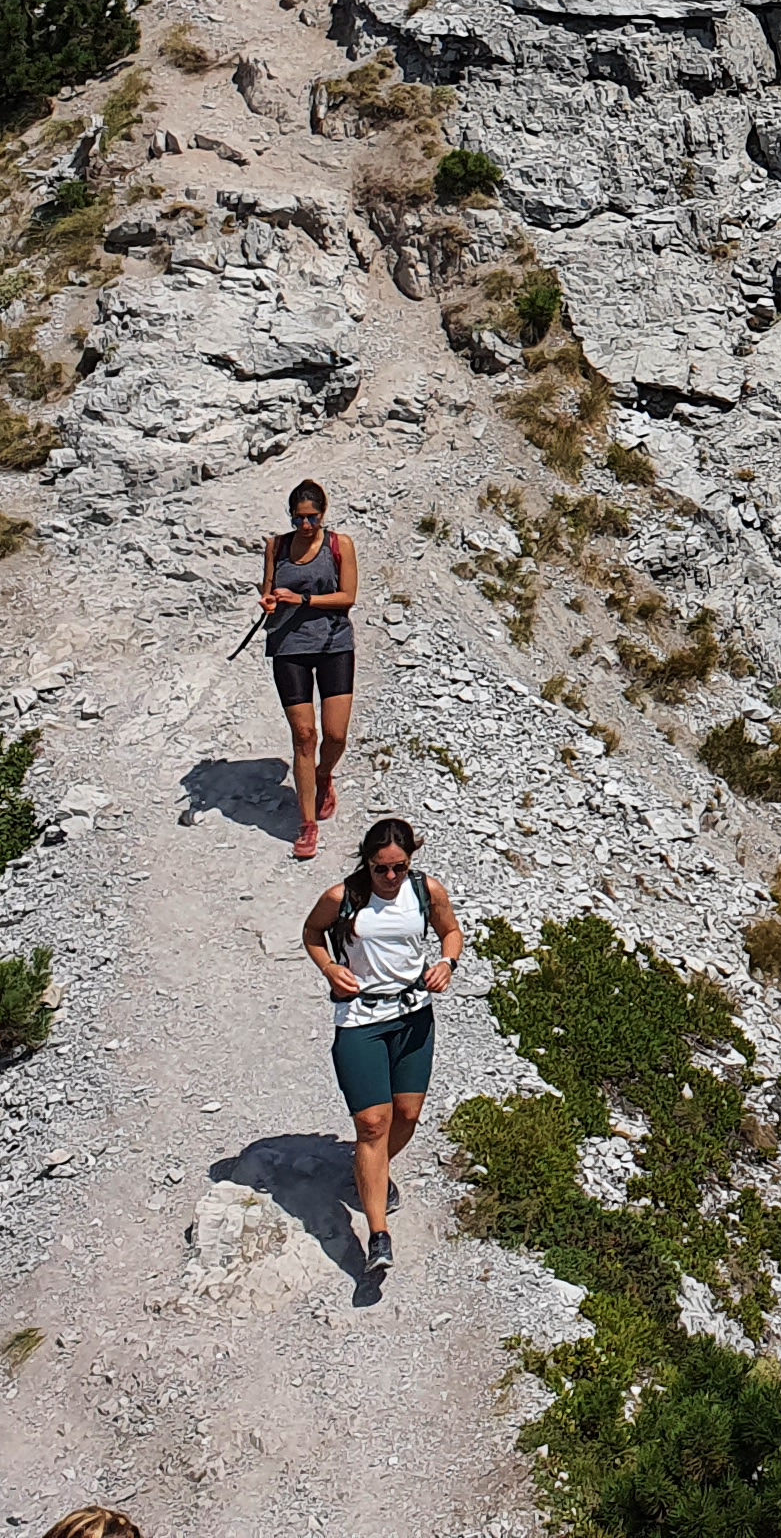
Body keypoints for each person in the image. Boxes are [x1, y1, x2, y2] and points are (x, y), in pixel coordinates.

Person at [302, 817, 462, 1283]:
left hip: (413, 1015)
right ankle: (377, 1234)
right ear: (366, 862)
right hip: (361, 1021)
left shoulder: (425, 891)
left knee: (408, 1114)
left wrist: (447, 963)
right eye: (380, 869)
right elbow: (312, 933)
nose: (390, 878)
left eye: (399, 867)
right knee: (373, 1123)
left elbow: (451, 932)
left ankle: (372, 1170)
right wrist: (331, 969)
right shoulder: (342, 897)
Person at [258, 479, 358, 862]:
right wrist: (269, 602)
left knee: (335, 733)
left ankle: (322, 775)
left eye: (312, 518)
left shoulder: (340, 545)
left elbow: (348, 596)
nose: (305, 526)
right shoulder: (276, 547)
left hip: (334, 644)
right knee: (304, 733)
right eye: (298, 518)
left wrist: (302, 599)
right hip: (289, 646)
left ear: (323, 513)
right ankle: (307, 824)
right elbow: (268, 589)